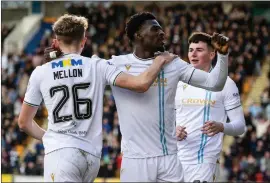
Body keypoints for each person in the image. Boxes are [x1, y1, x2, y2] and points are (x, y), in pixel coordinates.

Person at [44, 12, 230, 182]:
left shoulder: (174, 64)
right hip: (135, 161)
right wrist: (57, 57)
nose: (162, 33)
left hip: (170, 158)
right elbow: (78, 72)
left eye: (162, 29)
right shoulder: (116, 64)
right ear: (138, 35)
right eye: (155, 29)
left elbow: (215, 84)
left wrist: (222, 55)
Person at [18, 14, 177, 182]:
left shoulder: (41, 72)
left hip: (61, 154)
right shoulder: (98, 65)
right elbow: (141, 84)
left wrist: (52, 138)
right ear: (83, 41)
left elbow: (24, 123)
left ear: (56, 42)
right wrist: (159, 61)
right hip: (91, 157)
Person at [175, 32, 246, 182]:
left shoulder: (226, 84)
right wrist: (172, 130)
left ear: (212, 54)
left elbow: (240, 127)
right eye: (190, 50)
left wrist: (221, 127)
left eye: (199, 50)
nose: (193, 54)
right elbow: (164, 120)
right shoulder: (178, 83)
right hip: (175, 161)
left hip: (205, 163)